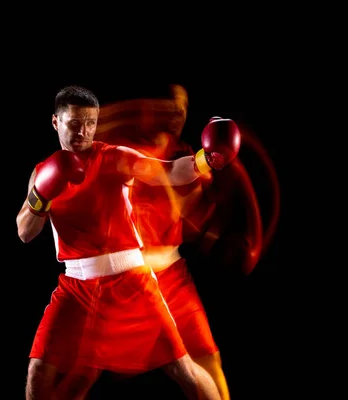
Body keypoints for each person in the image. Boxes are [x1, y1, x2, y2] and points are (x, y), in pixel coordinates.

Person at [16, 85, 241, 400]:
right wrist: (41, 194)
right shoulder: (40, 173)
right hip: (76, 289)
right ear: (56, 122)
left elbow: (169, 172)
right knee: (38, 371)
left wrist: (206, 161)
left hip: (130, 281)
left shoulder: (113, 157)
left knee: (183, 369)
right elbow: (25, 232)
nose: (83, 131)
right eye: (74, 123)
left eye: (90, 124)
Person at [95, 84, 231, 399]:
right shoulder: (118, 148)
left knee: (206, 360)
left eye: (182, 110)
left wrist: (215, 226)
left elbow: (190, 214)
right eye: (170, 108)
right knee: (85, 370)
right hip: (126, 277)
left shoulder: (187, 154)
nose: (177, 116)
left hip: (172, 272)